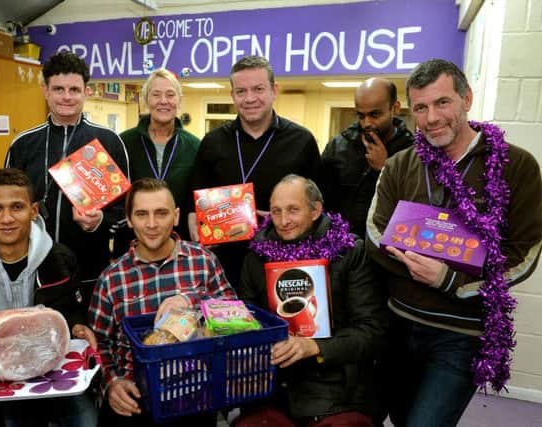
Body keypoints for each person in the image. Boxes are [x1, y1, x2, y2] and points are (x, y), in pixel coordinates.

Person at [365, 59, 542, 426]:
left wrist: (451, 281)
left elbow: (523, 253)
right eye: (421, 107)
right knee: (395, 418)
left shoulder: (517, 166)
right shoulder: (400, 164)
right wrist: (416, 268)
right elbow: (375, 235)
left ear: (466, 99)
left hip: (460, 333)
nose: (431, 118)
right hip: (398, 323)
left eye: (442, 102)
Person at [0, 168, 98, 426]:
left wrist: (79, 327)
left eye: (17, 207)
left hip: (48, 367)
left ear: (33, 211)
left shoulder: (61, 259)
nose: (6, 219)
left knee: (87, 419)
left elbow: (71, 311)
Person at [235, 174, 388, 427]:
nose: (284, 221)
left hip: (336, 391)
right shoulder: (256, 257)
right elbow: (246, 321)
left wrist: (315, 347)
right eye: (276, 211)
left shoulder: (350, 251)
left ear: (316, 210)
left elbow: (373, 331)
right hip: (274, 387)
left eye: (293, 210)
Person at [88, 177, 236, 426]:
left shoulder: (204, 261)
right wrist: (111, 382)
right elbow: (97, 343)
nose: (152, 224)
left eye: (162, 213)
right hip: (134, 402)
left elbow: (234, 313)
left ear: (176, 216)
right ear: (130, 219)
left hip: (195, 397)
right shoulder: (111, 277)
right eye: (142, 214)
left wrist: (191, 299)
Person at [5, 50, 130, 301]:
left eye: (74, 89)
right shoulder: (23, 144)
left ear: (86, 91)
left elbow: (127, 210)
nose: (66, 97)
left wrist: (100, 221)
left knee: (88, 337)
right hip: (32, 270)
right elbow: (6, 200)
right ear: (45, 90)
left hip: (90, 270)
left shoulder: (108, 142)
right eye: (58, 88)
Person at [189, 55, 321, 289]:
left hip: (283, 264)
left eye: (258, 89)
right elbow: (194, 204)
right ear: (232, 95)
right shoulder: (212, 142)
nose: (250, 99)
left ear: (274, 90)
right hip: (223, 268)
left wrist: (280, 218)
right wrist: (198, 232)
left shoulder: (302, 141)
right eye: (241, 91)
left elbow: (318, 210)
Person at [115, 68, 200, 253]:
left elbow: (197, 199)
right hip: (132, 247)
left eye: (170, 95)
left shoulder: (195, 147)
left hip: (181, 248)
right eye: (156, 94)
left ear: (179, 101)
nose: (163, 101)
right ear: (146, 100)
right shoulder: (122, 143)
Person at [320, 78, 413, 239]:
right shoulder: (338, 147)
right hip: (342, 249)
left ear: (395, 108)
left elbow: (414, 207)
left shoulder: (413, 151)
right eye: (361, 116)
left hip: (390, 249)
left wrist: (385, 169)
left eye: (375, 114)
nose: (367, 123)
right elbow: (321, 202)